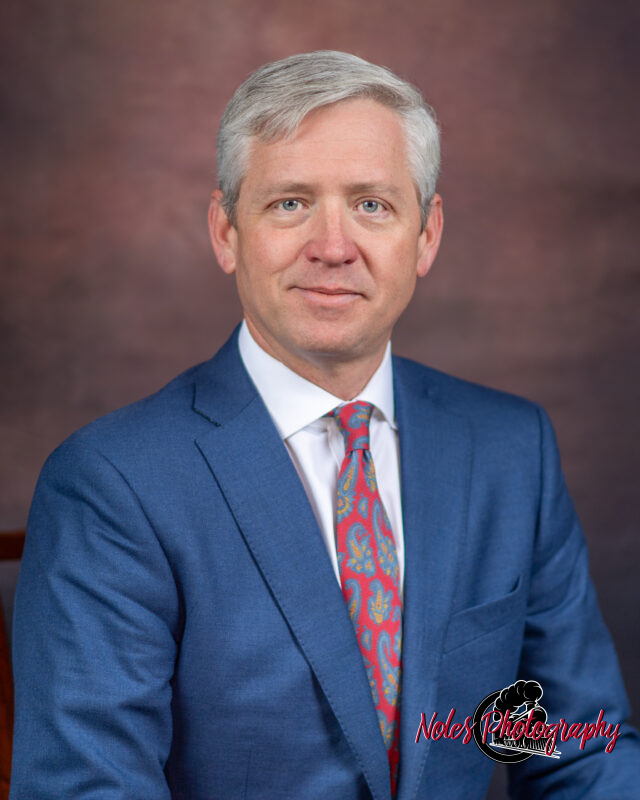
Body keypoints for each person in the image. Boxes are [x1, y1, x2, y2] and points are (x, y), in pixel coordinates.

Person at [9, 51, 640, 799]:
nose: (333, 247)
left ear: (427, 235)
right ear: (225, 231)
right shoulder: (112, 485)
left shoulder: (510, 451)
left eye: (372, 204)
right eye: (290, 203)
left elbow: (580, 751)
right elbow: (90, 788)